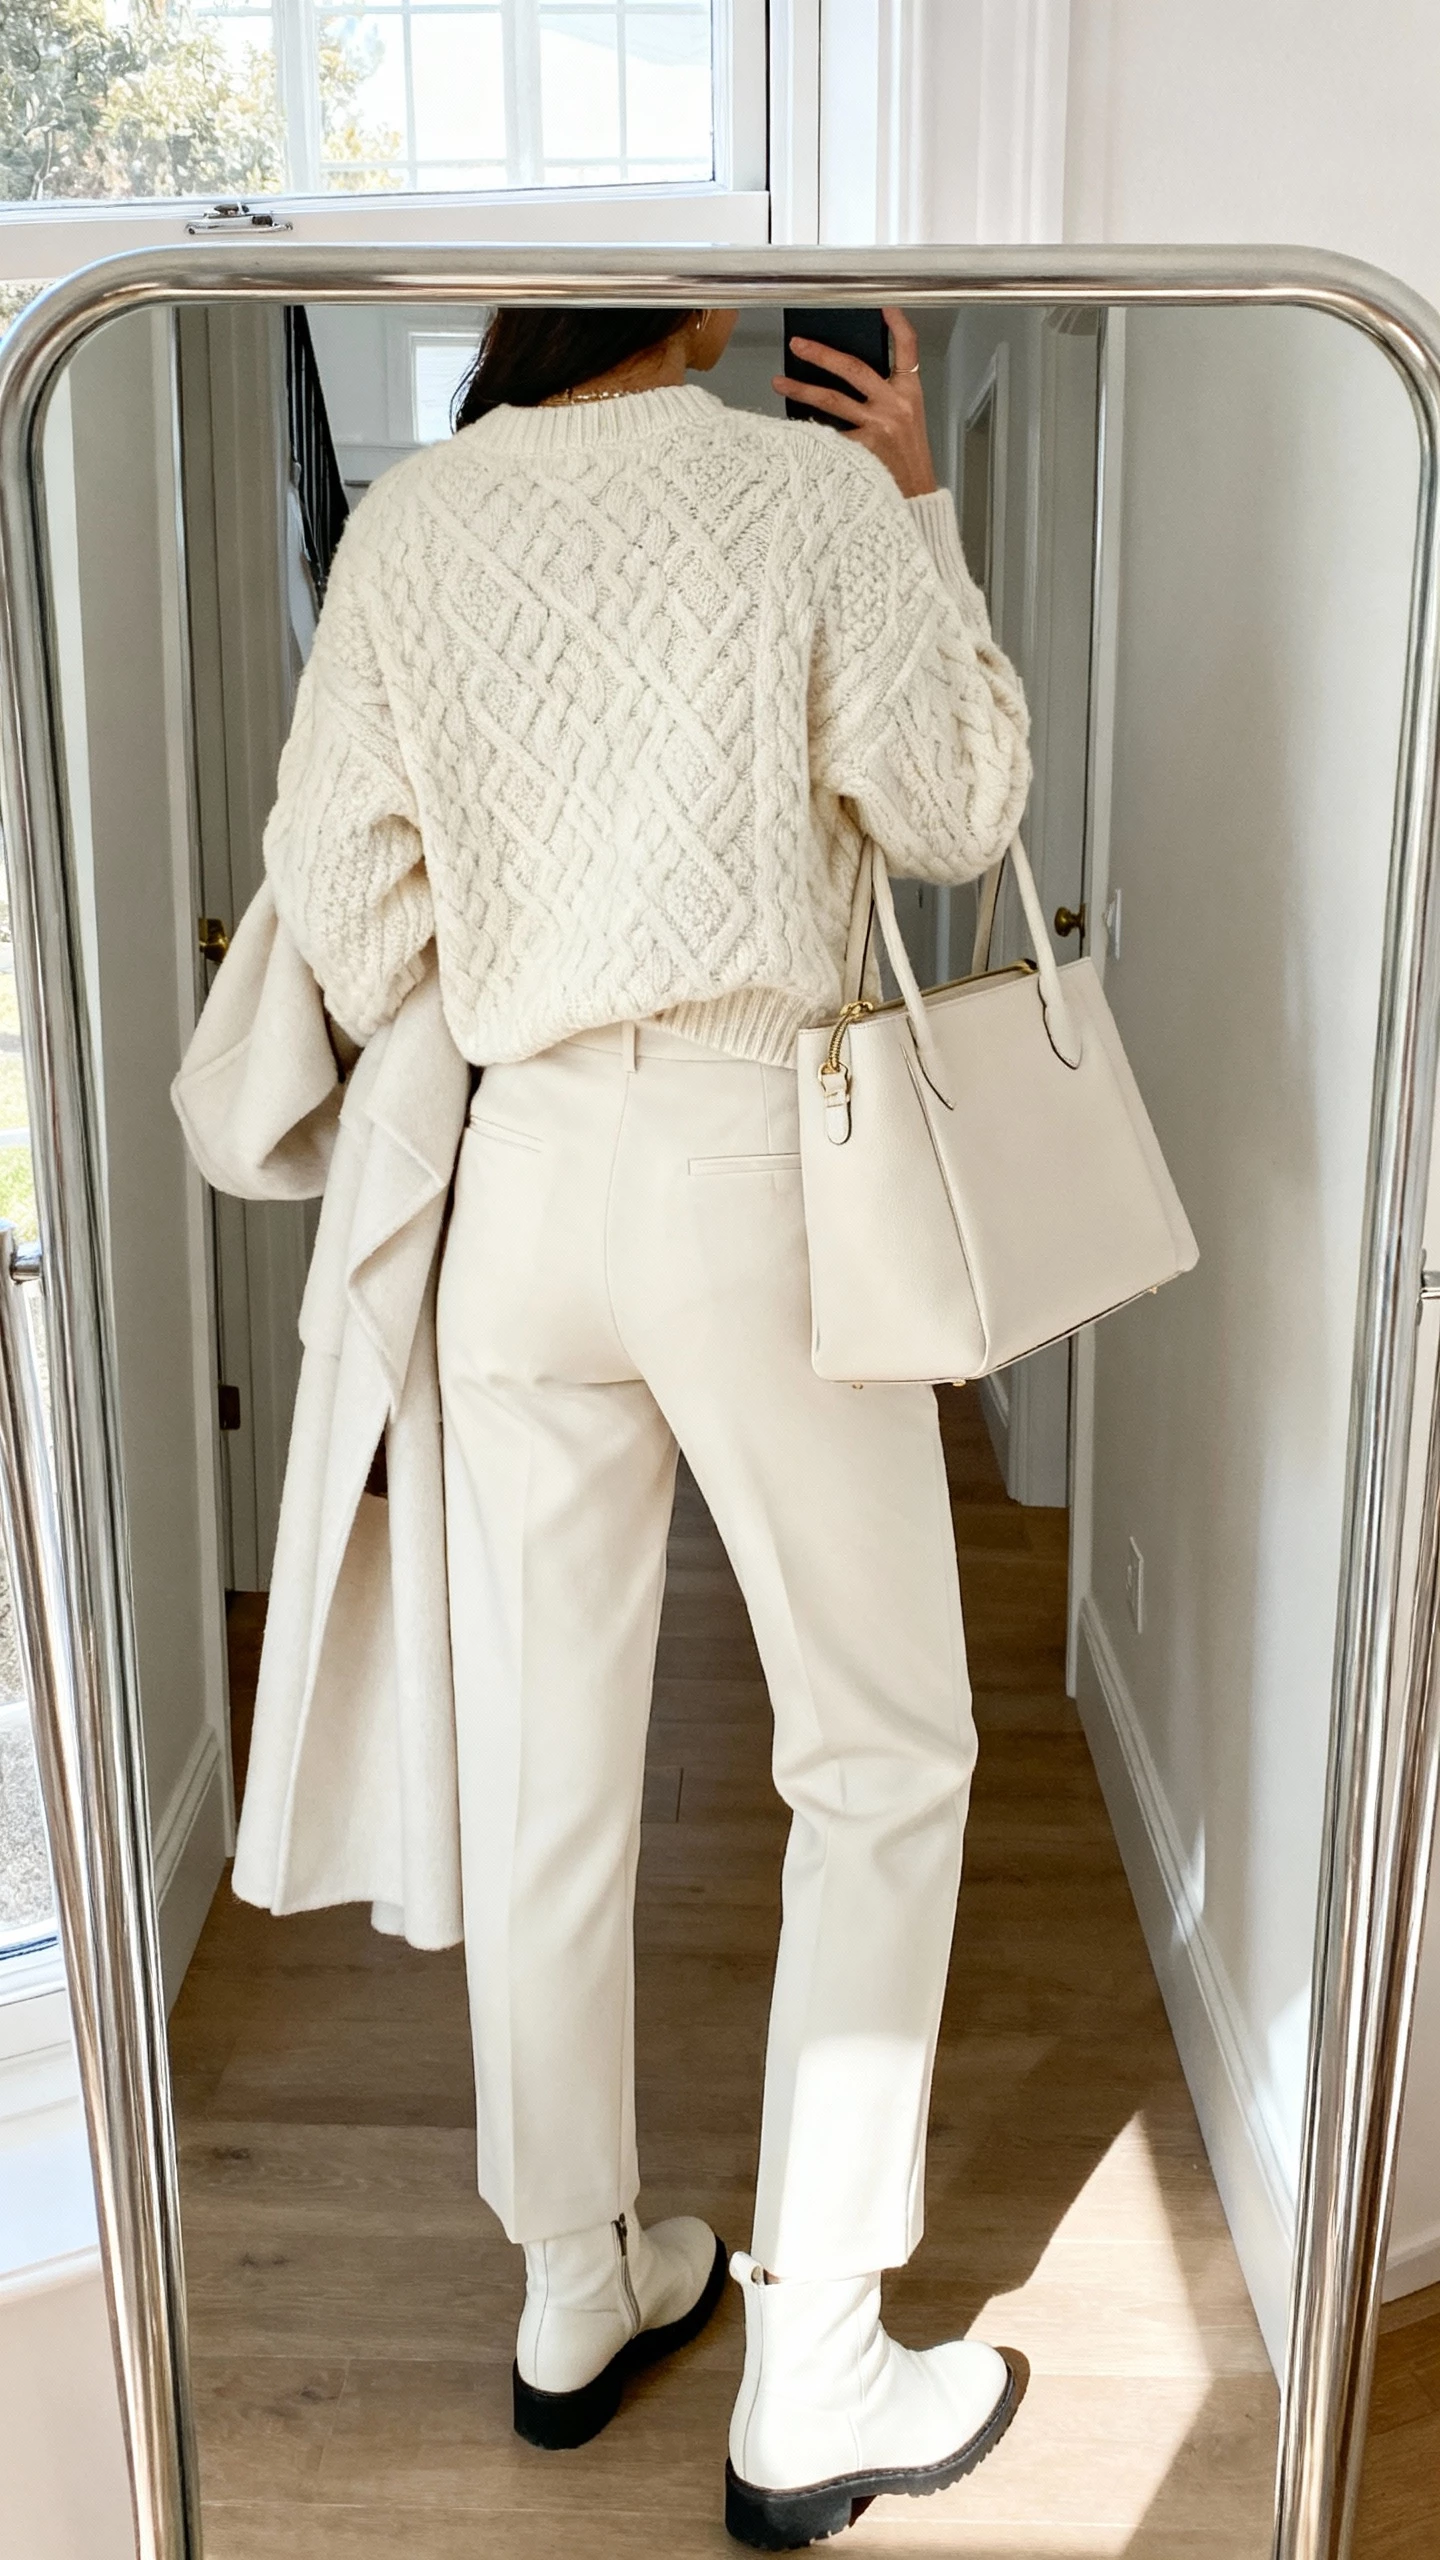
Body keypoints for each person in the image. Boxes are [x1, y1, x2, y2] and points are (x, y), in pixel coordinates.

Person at [261, 298, 1031, 2550]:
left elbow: (342, 892)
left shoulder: (411, 521)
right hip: (744, 1164)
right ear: (702, 310)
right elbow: (967, 806)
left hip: (521, 1184)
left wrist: (522, 954)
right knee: (881, 1752)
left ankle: (576, 2281)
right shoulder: (801, 489)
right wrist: (914, 492)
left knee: (552, 1765)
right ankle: (813, 2364)